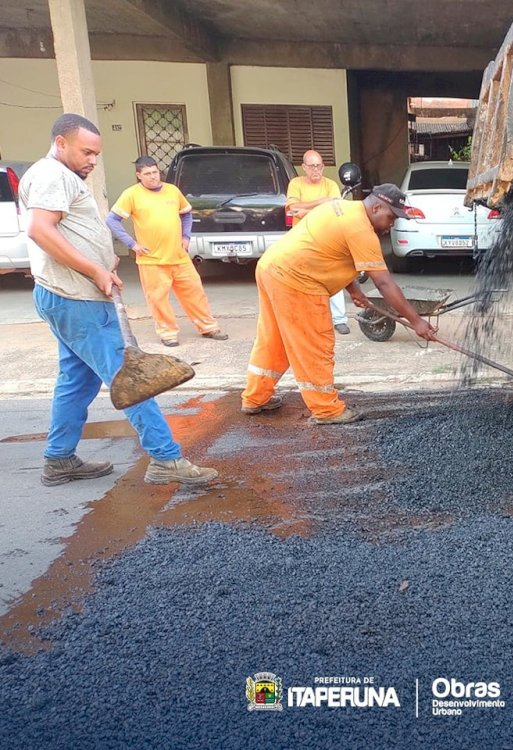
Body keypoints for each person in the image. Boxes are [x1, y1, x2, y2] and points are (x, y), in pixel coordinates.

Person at [19, 113, 217, 486]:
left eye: (97, 154)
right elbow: (40, 230)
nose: (93, 161)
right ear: (61, 143)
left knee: (77, 381)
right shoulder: (52, 175)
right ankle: (166, 459)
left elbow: (66, 230)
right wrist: (94, 271)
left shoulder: (60, 175)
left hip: (65, 296)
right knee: (132, 377)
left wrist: (101, 260)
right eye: (86, 152)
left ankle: (59, 459)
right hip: (77, 300)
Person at [241, 183, 438, 425]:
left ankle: (255, 397)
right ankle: (326, 409)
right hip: (297, 280)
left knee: (273, 339)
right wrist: (416, 321)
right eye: (391, 217)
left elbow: (328, 251)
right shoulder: (361, 230)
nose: (392, 225)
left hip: (271, 268)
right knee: (314, 343)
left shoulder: (340, 208)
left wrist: (353, 289)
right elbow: (385, 284)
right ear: (376, 207)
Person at [106, 155, 228, 347]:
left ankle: (208, 327)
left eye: (155, 172)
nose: (153, 177)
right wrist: (132, 244)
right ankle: (168, 332)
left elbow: (186, 214)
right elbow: (112, 220)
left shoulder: (172, 191)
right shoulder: (131, 194)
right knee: (158, 299)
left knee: (195, 293)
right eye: (147, 174)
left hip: (179, 256)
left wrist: (186, 237)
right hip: (151, 259)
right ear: (139, 176)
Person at [286, 149, 350, 334]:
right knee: (302, 279)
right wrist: (321, 201)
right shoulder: (295, 184)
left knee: (333, 276)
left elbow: (335, 209)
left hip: (326, 238)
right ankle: (305, 319)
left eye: (319, 166)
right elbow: (292, 207)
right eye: (312, 166)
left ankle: (339, 319)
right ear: (304, 167)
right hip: (301, 240)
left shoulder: (331, 184)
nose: (316, 170)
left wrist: (305, 211)